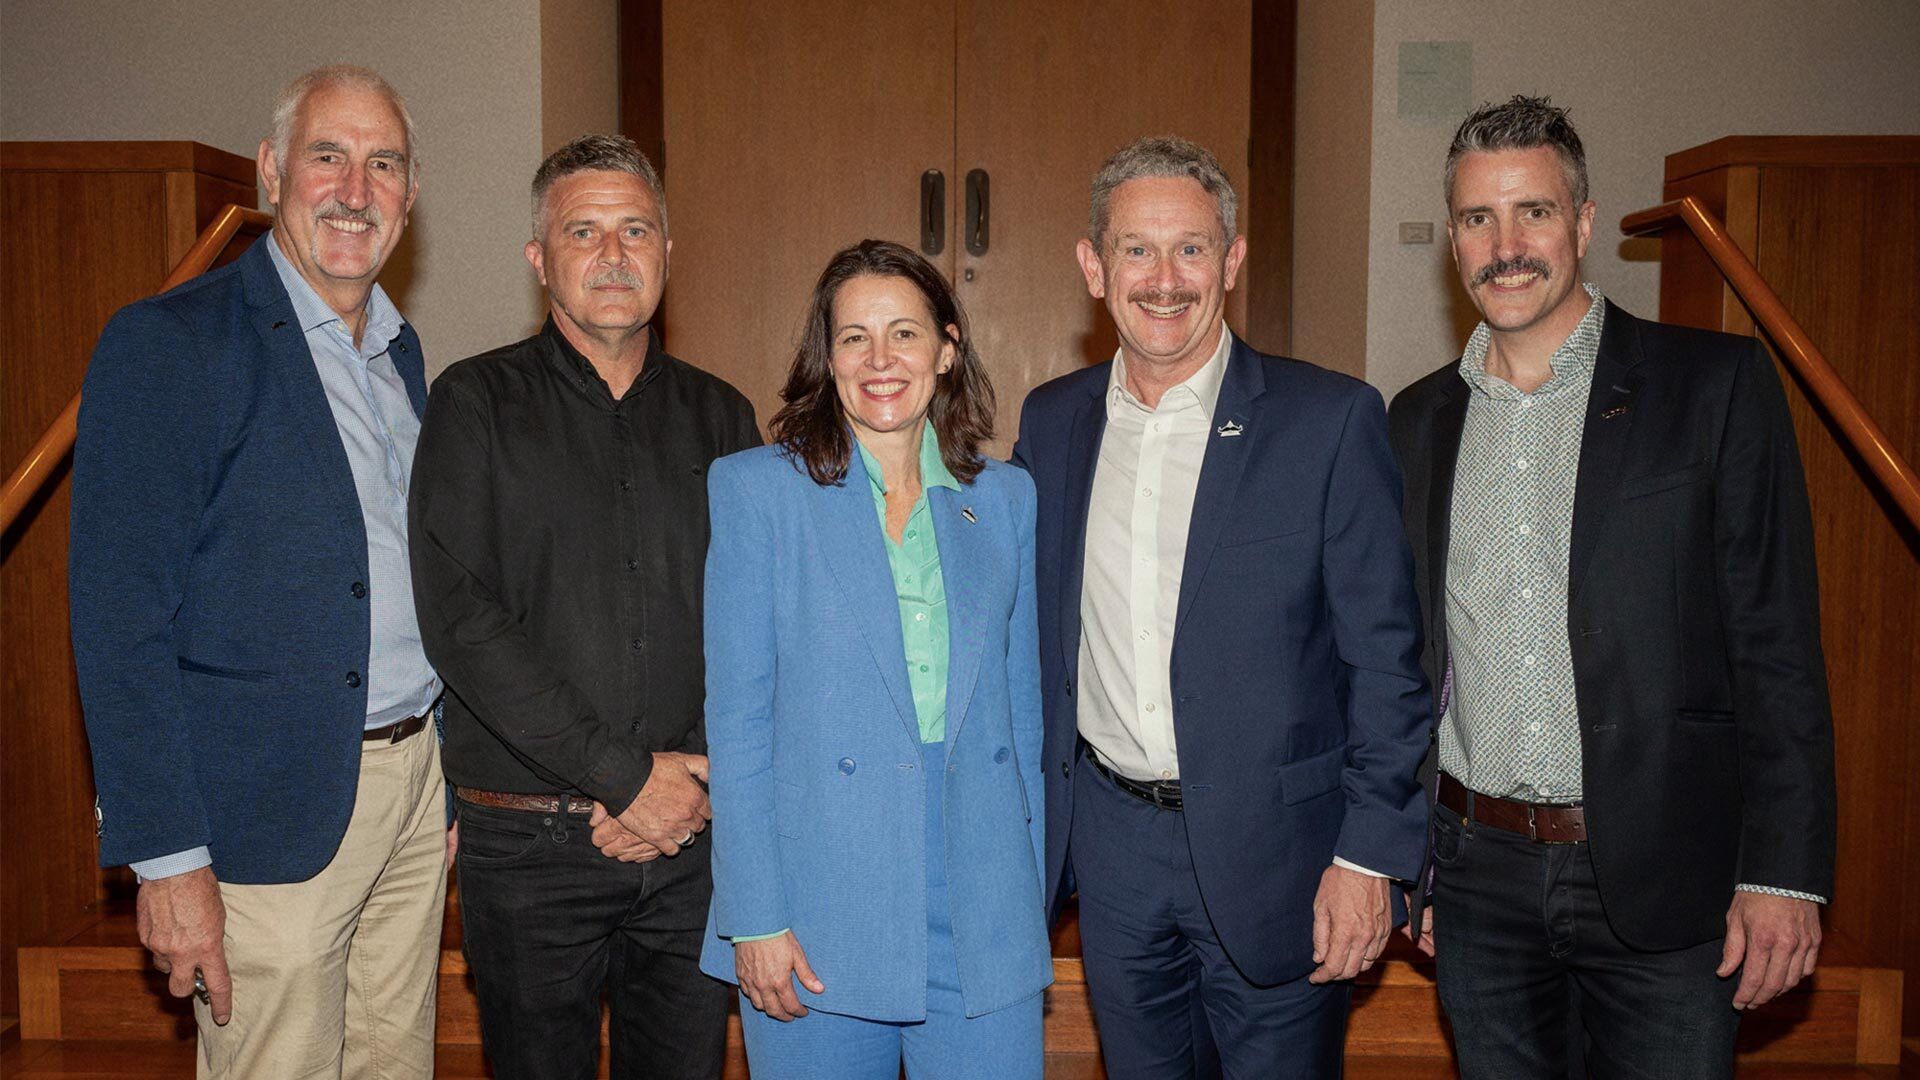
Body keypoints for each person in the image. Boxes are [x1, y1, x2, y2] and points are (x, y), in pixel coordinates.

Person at [1387, 95, 1836, 1078]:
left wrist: (1784, 875)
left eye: (1533, 213)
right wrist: (1407, 855)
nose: (1506, 246)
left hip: (1667, 871)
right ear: (1453, 241)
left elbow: (1778, 648)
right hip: (1479, 872)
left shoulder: (1713, 388)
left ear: (1584, 222)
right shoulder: (1415, 421)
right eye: (1477, 219)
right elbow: (1410, 662)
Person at [1011, 136, 1430, 1078]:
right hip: (1112, 851)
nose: (1165, 279)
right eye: (1136, 250)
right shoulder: (1052, 423)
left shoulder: (1328, 421)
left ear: (1232, 262)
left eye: (1192, 249)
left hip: (1284, 858)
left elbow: (1385, 663)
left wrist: (1371, 858)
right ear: (1093, 266)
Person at [69, 65, 448, 1078]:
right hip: (266, 813)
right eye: (328, 155)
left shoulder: (402, 360)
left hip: (410, 793)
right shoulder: (169, 345)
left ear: (409, 199)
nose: (355, 189)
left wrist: (439, 787)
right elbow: (118, 622)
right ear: (276, 171)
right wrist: (170, 857)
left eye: (384, 165)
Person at [409, 134, 759, 1080]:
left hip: (693, 840)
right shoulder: (472, 403)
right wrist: (623, 777)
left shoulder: (724, 419)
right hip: (530, 844)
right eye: (584, 231)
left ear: (669, 251)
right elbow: (462, 622)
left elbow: (754, 624)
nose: (613, 254)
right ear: (539, 259)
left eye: (635, 229)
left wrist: (684, 788)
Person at [699, 239, 1050, 1079]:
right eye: (854, 337)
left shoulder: (1005, 499)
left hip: (980, 901)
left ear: (948, 346)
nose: (881, 359)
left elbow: (1022, 716)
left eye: (904, 333)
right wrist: (754, 916)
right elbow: (739, 725)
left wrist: (1027, 894)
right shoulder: (757, 492)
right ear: (828, 357)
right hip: (818, 903)